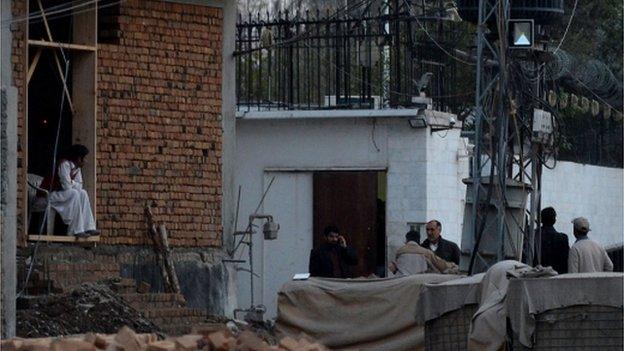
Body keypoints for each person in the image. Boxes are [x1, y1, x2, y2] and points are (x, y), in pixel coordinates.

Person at [41, 144, 99, 237]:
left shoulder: (77, 169)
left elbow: (79, 186)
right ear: (79, 158)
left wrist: (70, 182)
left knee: (83, 193)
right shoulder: (64, 164)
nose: (86, 161)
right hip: (49, 194)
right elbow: (67, 187)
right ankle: (76, 230)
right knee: (74, 193)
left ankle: (88, 226)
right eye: (84, 158)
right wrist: (72, 183)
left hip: (61, 194)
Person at [389, 228, 459, 276]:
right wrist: (454, 266)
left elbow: (394, 268)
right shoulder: (426, 252)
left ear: (406, 240)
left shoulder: (399, 251)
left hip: (401, 284)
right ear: (419, 240)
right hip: (419, 286)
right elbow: (442, 265)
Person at [535, 207, 569, 273]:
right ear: (554, 220)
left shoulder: (534, 236)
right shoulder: (563, 238)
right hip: (557, 277)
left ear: (541, 220)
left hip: (537, 276)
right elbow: (565, 262)